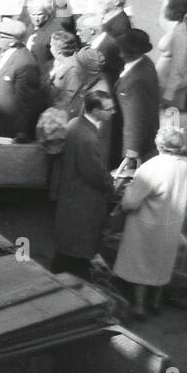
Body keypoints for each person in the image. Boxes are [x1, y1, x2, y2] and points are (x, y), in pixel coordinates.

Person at [113, 127, 187, 318]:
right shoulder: (185, 164)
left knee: (142, 265)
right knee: (161, 264)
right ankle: (155, 303)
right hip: (171, 223)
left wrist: (124, 201)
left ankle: (139, 307)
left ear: (159, 144)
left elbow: (130, 202)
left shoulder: (152, 167)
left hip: (147, 225)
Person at [51, 93, 117, 279]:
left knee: (65, 244)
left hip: (70, 193)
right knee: (79, 247)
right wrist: (111, 184)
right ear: (96, 111)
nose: (113, 112)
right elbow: (95, 174)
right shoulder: (88, 137)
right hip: (85, 199)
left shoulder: (74, 124)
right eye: (109, 109)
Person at [0, 19, 41, 140]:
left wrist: (22, 131)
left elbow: (26, 102)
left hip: (8, 128)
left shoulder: (25, 63)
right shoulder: (4, 52)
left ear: (12, 41)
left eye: (0, 35)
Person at [114, 28, 159, 166]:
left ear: (124, 52)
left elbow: (134, 118)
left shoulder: (134, 82)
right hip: (148, 133)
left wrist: (131, 151)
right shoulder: (145, 61)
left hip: (136, 141)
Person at [24, 0, 62, 74]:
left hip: (45, 74)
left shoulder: (56, 30)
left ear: (48, 13)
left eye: (40, 14)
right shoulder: (30, 26)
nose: (36, 18)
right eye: (33, 15)